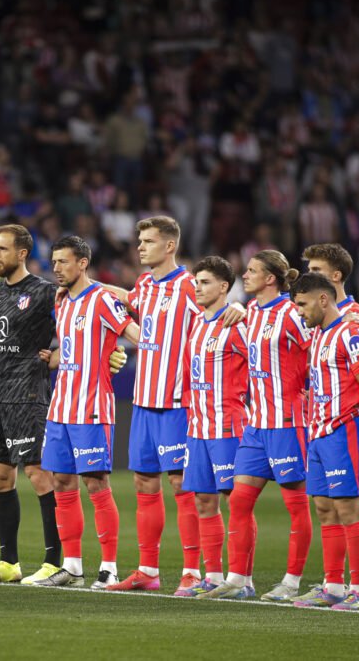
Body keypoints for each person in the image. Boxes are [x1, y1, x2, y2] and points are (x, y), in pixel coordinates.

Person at [95, 216, 205, 594]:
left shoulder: (192, 286)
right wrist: (88, 286)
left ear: (169, 246)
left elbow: (225, 313)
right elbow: (127, 297)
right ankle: (148, 570)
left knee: (182, 484)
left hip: (177, 402)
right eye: (139, 240)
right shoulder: (144, 284)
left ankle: (192, 571)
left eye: (148, 241)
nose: (139, 247)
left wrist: (238, 311)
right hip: (143, 402)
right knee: (144, 481)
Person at [200, 250, 312, 602]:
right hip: (256, 425)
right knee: (240, 500)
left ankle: (292, 582)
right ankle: (239, 579)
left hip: (287, 422)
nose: (243, 276)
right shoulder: (248, 316)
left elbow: (314, 350)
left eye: (251, 271)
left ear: (270, 279)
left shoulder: (292, 314)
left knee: (296, 505)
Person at [34, 235, 141, 589]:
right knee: (61, 482)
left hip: (93, 407)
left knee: (96, 484)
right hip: (61, 406)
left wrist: (128, 350)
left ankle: (109, 566)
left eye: (63, 262)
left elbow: (137, 336)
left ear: (82, 263)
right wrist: (55, 362)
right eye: (54, 262)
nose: (57, 269)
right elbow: (71, 351)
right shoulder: (61, 302)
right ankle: (73, 566)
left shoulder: (103, 300)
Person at [0, 224, 63, 586]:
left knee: (38, 475)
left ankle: (54, 562)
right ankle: (8, 562)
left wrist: (55, 355)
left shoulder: (44, 292)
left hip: (28, 394)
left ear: (22, 254)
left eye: (2, 249)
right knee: (0, 477)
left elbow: (76, 324)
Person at [290, 273, 359, 611]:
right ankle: (332, 585)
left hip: (344, 431)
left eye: (302, 304)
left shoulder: (351, 331)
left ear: (323, 300)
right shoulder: (318, 335)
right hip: (317, 434)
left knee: (349, 510)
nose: (299, 311)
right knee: (325, 510)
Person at [174, 257, 249, 597]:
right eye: (195, 282)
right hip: (198, 428)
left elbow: (268, 361)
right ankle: (214, 576)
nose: (197, 288)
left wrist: (246, 311)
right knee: (203, 500)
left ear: (223, 287)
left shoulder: (237, 324)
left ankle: (242, 580)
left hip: (228, 426)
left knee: (237, 502)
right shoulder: (198, 325)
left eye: (204, 282)